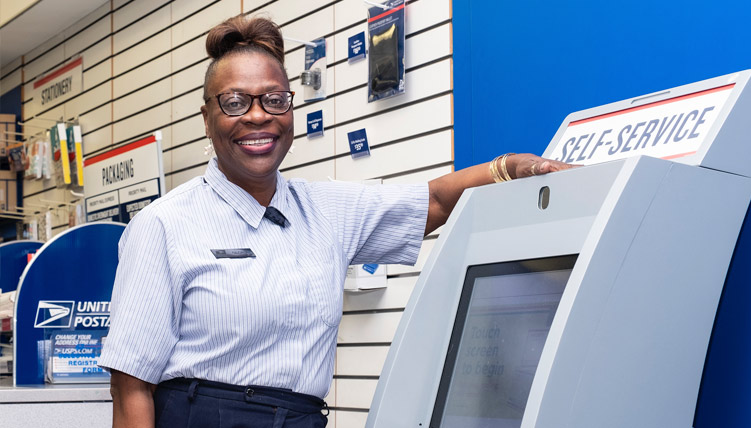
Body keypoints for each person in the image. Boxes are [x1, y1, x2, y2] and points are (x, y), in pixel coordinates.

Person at [98, 14, 572, 428]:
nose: (258, 117)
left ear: (291, 109)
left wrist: (512, 167)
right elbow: (131, 385)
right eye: (235, 102)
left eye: (274, 100)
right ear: (207, 117)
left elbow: (435, 204)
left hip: (301, 418)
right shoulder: (163, 224)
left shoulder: (326, 210)